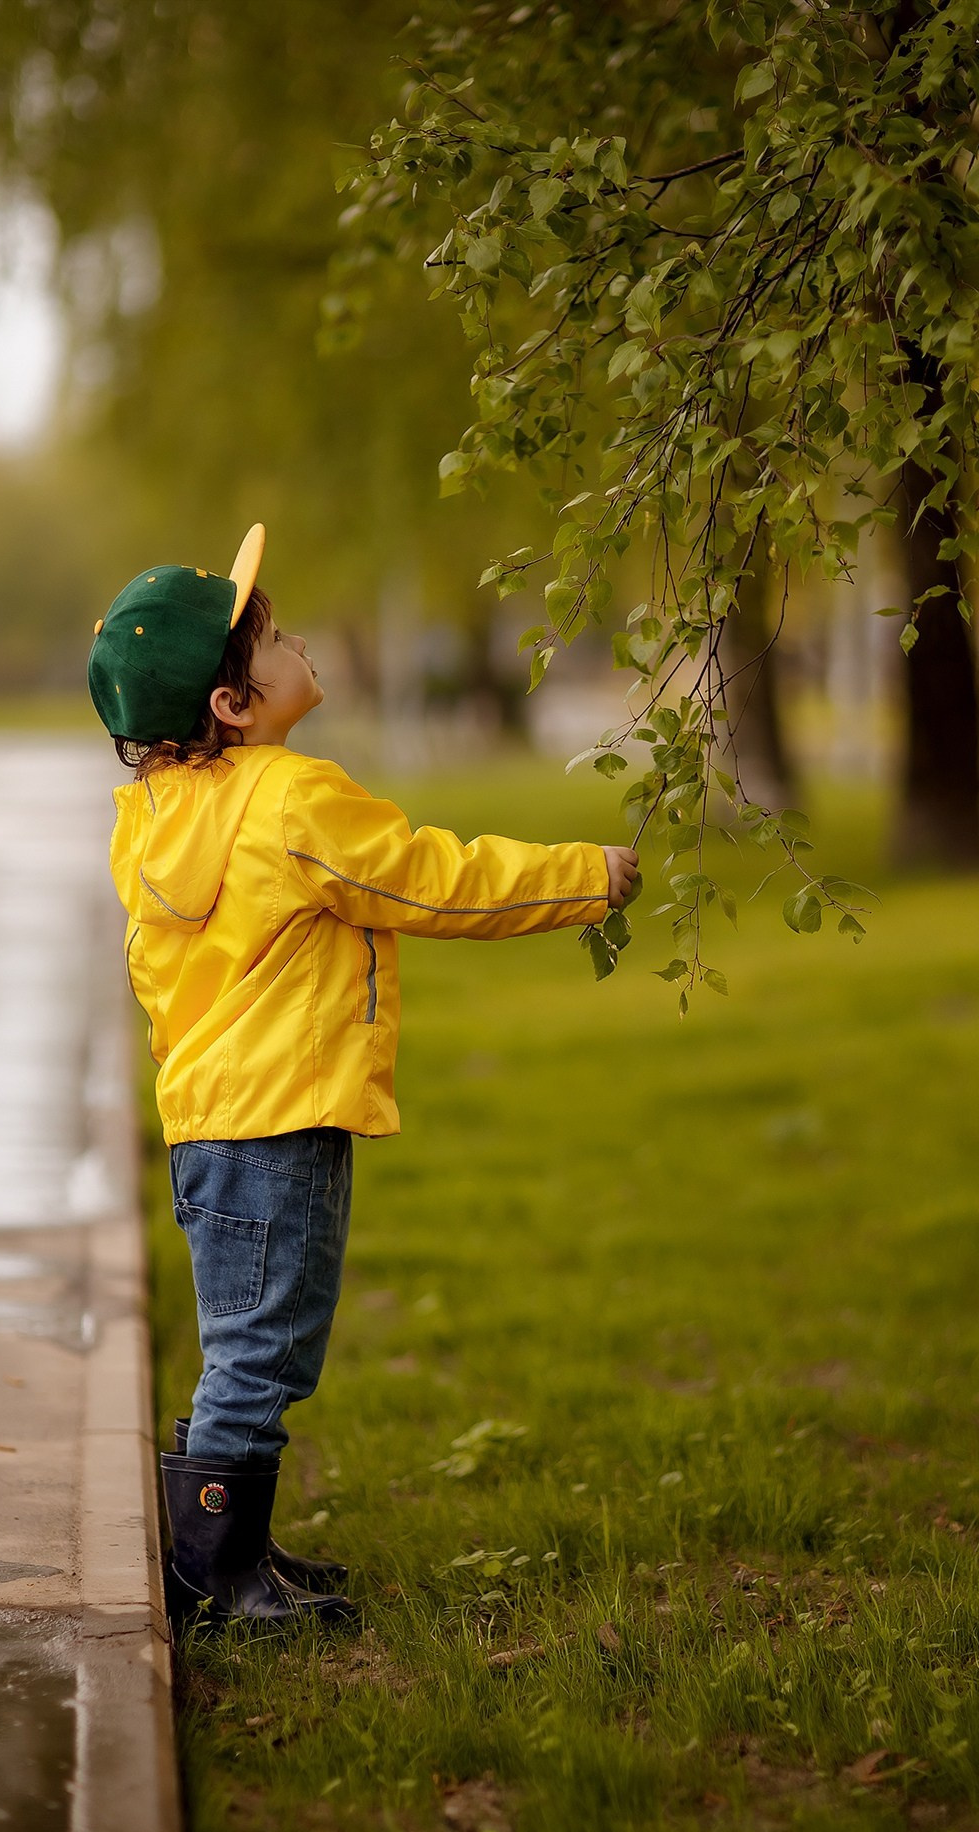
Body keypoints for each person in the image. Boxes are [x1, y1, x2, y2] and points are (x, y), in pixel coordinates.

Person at [87, 524, 638, 1631]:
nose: (298, 642)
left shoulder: (148, 820)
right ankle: (213, 1574)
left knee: (256, 1340)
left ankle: (236, 1548)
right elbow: (429, 881)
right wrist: (587, 877)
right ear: (233, 704)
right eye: (276, 637)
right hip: (281, 1118)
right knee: (259, 1349)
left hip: (210, 1123)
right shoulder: (290, 801)